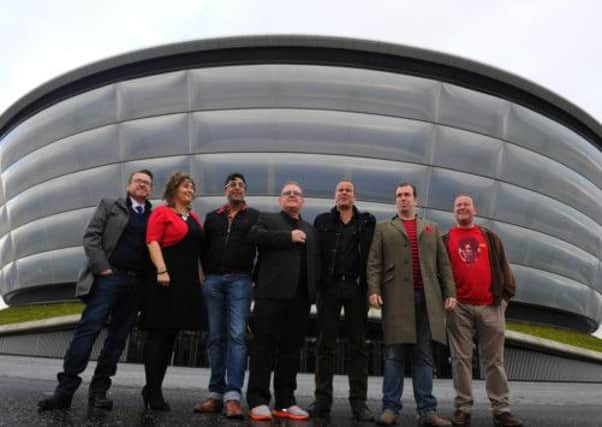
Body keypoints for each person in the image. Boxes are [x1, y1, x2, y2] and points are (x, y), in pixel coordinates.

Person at [38, 169, 154, 411]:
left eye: (147, 183)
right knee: (88, 330)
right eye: (139, 181)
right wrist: (103, 269)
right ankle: (65, 390)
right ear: (129, 184)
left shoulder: (153, 215)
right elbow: (91, 237)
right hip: (109, 278)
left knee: (117, 339)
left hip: (136, 284)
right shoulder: (110, 205)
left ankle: (99, 391)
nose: (143, 185)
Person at [367, 183, 456, 427]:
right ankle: (390, 408)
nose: (403, 199)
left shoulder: (431, 227)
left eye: (407, 195)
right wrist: (373, 290)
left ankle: (427, 411)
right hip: (396, 298)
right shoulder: (384, 227)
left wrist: (450, 293)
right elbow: (374, 261)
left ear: (416, 200)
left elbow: (444, 265)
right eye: (399, 196)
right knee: (394, 354)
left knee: (424, 356)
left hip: (428, 300)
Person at [442, 195, 523, 427]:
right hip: (459, 308)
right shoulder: (445, 239)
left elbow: (505, 268)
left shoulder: (490, 237)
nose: (462, 208)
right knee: (460, 360)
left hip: (491, 307)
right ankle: (463, 410)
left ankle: (501, 410)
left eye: (466, 205)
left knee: (494, 361)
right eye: (458, 205)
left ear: (474, 210)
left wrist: (505, 298)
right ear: (454, 211)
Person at [246, 182, 320, 421]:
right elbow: (254, 236)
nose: (292, 195)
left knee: (291, 351)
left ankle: (286, 401)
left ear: (302, 201)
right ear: (280, 200)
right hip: (270, 295)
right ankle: (258, 400)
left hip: (299, 299)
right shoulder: (266, 219)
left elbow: (315, 263)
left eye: (296, 193)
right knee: (263, 348)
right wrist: (288, 236)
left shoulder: (310, 229)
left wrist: (313, 293)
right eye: (287, 193)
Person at [308, 179, 375, 421]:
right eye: (340, 190)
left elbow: (374, 256)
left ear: (354, 196)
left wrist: (372, 288)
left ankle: (359, 404)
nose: (344, 193)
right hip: (329, 287)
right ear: (334, 195)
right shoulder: (322, 221)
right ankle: (322, 402)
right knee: (325, 345)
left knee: (358, 346)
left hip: (357, 288)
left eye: (348, 190)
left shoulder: (367, 222)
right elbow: (314, 255)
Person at [193, 173, 259, 419]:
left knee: (237, 337)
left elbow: (263, 245)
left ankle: (233, 397)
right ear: (225, 190)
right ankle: (215, 395)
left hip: (240, 282)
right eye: (232, 184)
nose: (237, 188)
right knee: (215, 338)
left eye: (241, 185)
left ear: (245, 192)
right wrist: (203, 279)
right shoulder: (212, 218)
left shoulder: (254, 217)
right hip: (213, 282)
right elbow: (201, 250)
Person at [141, 172, 205, 411]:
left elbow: (197, 253)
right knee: (158, 334)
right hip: (164, 280)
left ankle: (153, 387)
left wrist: (201, 282)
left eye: (192, 187)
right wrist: (161, 270)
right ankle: (153, 390)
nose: (190, 190)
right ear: (174, 189)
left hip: (186, 284)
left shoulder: (194, 217)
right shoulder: (162, 212)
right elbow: (152, 241)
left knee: (170, 337)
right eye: (185, 186)